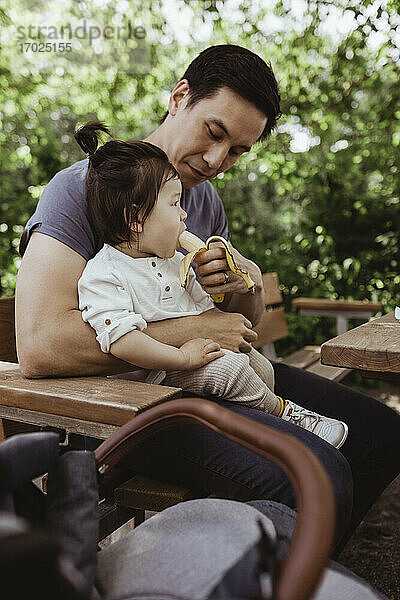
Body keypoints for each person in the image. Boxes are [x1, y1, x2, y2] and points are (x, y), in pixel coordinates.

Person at [16, 44, 400, 553]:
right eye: (214, 133)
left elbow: (235, 324)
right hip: (130, 405)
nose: (218, 160)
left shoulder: (202, 200)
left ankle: (301, 571)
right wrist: (196, 332)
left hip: (211, 377)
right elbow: (41, 346)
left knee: (381, 432)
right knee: (316, 472)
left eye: (238, 150)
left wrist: (248, 285)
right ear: (180, 98)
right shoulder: (83, 189)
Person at [75, 122, 348, 448]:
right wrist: (183, 359)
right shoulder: (104, 273)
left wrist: (220, 282)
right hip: (153, 377)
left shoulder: (174, 261)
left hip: (189, 359)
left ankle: (256, 424)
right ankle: (286, 419)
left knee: (257, 363)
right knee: (230, 369)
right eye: (174, 204)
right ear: (135, 218)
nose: (184, 215)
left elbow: (206, 311)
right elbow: (122, 341)